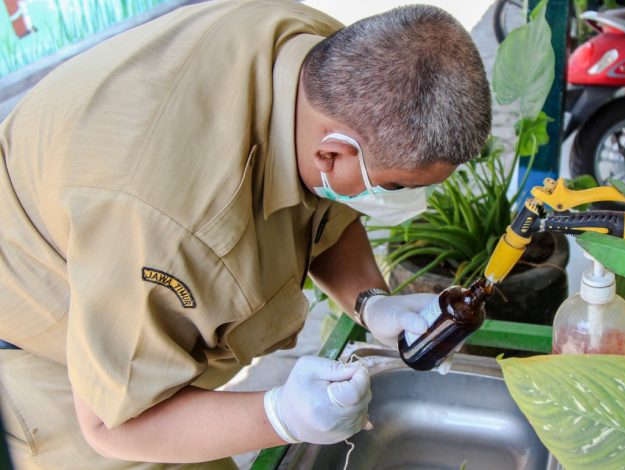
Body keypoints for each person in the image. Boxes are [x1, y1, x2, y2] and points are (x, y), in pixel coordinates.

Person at [0, 0, 491, 467]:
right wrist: (281, 415)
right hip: (57, 351)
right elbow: (116, 422)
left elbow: (324, 205)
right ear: (333, 152)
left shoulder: (325, 59)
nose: (398, 200)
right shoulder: (168, 224)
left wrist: (369, 302)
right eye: (394, 185)